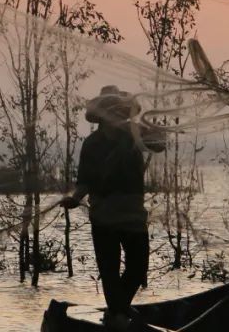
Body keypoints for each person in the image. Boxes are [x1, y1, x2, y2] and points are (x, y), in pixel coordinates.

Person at [60, 86, 165, 319]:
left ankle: (116, 312)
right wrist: (75, 199)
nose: (118, 116)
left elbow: (159, 145)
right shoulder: (92, 144)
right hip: (103, 217)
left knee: (138, 270)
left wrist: (156, 131)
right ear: (103, 116)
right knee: (109, 272)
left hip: (134, 216)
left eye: (121, 111)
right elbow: (84, 182)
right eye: (113, 112)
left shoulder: (134, 135)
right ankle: (118, 314)